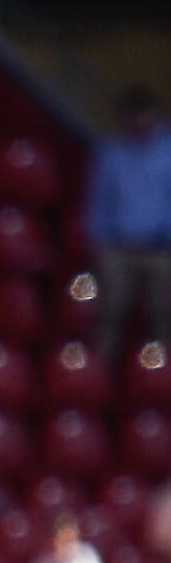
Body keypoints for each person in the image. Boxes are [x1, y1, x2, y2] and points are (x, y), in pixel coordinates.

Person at [87, 87, 171, 363]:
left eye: (145, 116)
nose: (140, 123)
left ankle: (163, 375)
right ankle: (100, 373)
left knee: (164, 312)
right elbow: (98, 200)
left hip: (162, 248)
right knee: (111, 310)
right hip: (118, 248)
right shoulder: (111, 155)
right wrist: (99, 240)